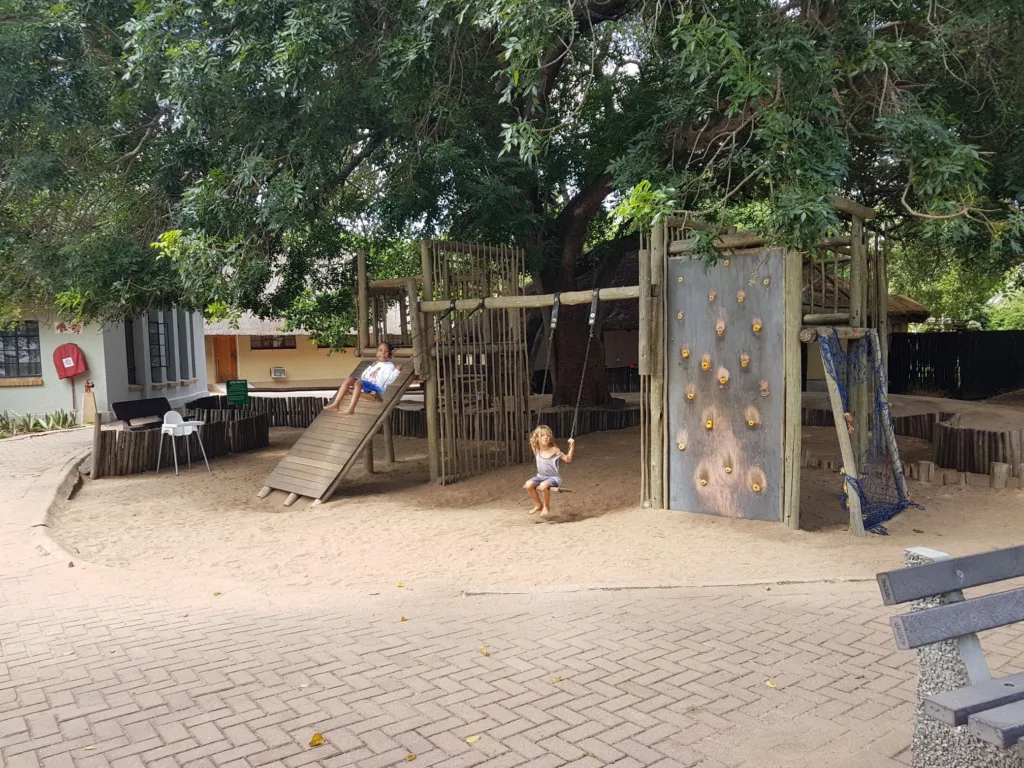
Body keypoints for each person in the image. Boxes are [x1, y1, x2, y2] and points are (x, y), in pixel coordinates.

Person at [324, 343, 401, 416]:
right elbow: (364, 376)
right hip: (367, 385)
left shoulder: (389, 366)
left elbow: (389, 380)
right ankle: (336, 404)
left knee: (358, 382)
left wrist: (397, 371)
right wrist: (371, 367)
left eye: (386, 351)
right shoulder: (377, 363)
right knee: (349, 379)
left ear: (389, 354)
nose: (383, 353)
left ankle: (351, 409)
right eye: (380, 350)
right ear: (376, 353)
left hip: (376, 388)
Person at [524, 425, 575, 516]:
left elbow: (568, 459)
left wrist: (572, 446)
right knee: (528, 485)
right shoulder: (536, 449)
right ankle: (538, 505)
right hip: (540, 476)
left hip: (553, 478)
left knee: (543, 486)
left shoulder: (554, 450)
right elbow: (532, 440)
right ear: (537, 438)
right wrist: (537, 433)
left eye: (548, 435)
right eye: (543, 435)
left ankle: (546, 507)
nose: (546, 437)